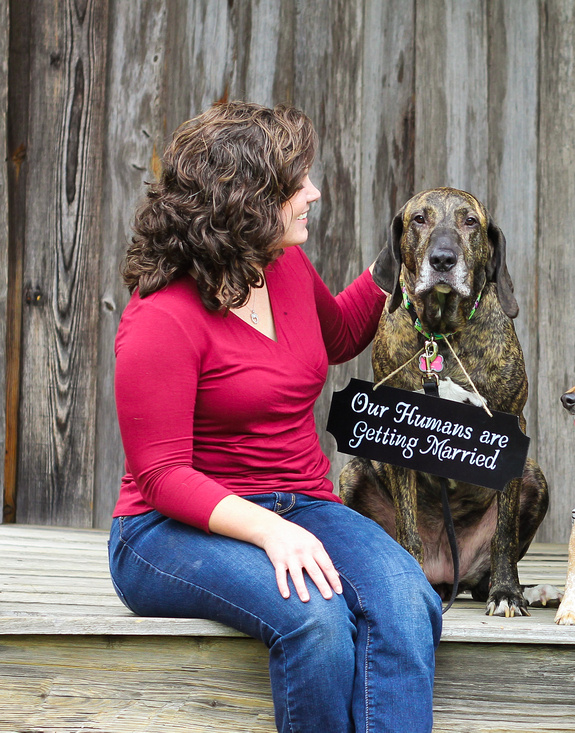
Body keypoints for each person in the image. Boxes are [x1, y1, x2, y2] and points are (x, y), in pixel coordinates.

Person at [108, 101, 441, 733]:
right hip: (168, 529)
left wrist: (394, 262)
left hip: (301, 503)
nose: (313, 192)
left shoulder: (281, 265)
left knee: (407, 601)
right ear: (249, 200)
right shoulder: (161, 319)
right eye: (298, 184)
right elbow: (163, 476)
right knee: (316, 619)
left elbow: (337, 334)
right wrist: (268, 530)